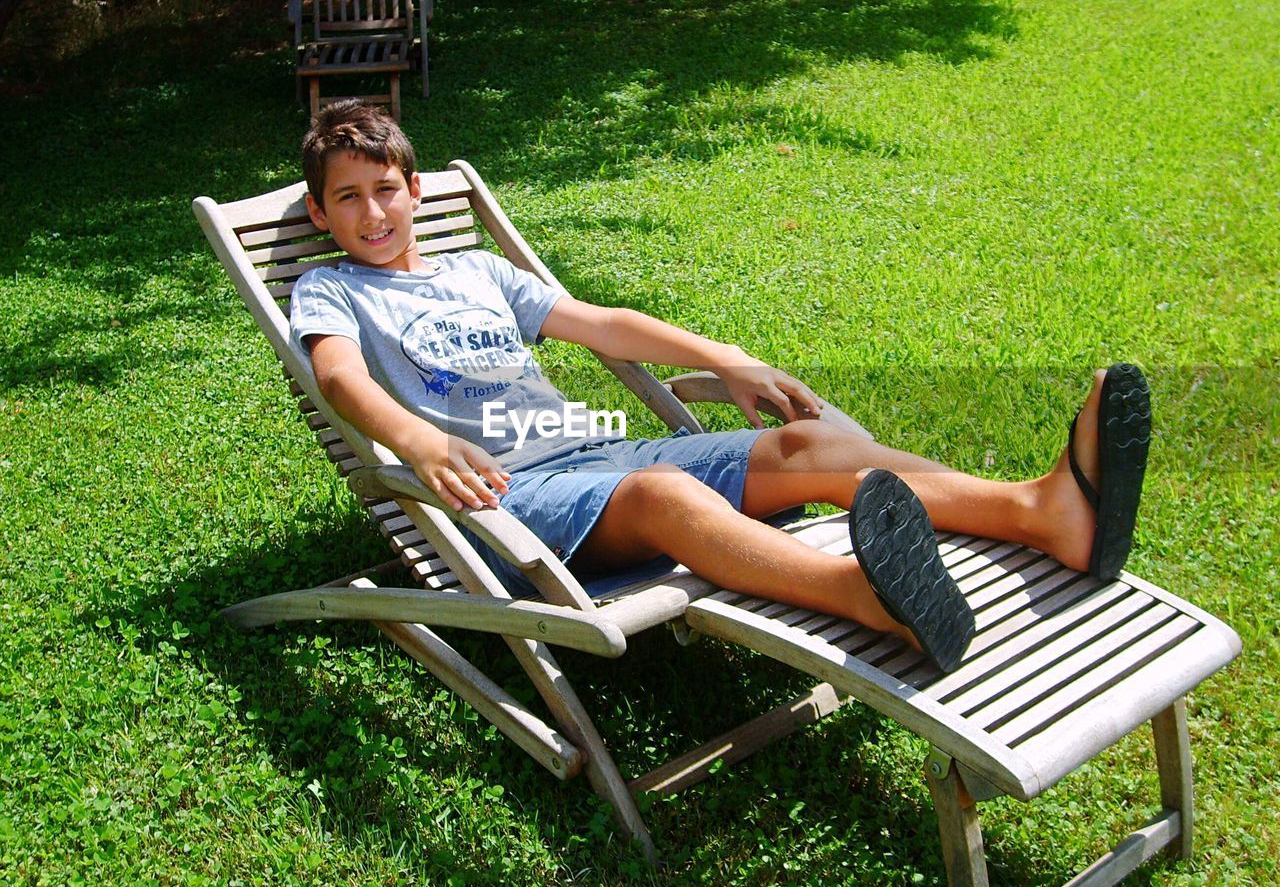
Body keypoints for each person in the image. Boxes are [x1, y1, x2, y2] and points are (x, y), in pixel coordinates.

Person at [289, 100, 1151, 673]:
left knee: (809, 444)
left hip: (600, 453)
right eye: (349, 199)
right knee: (663, 492)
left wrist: (727, 355)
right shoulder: (329, 288)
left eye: (387, 191)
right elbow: (339, 377)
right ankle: (870, 597)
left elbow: (606, 324)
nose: (374, 215)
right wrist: (421, 440)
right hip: (505, 495)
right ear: (322, 215)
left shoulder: (480, 270)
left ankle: (1041, 513)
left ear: (415, 189)